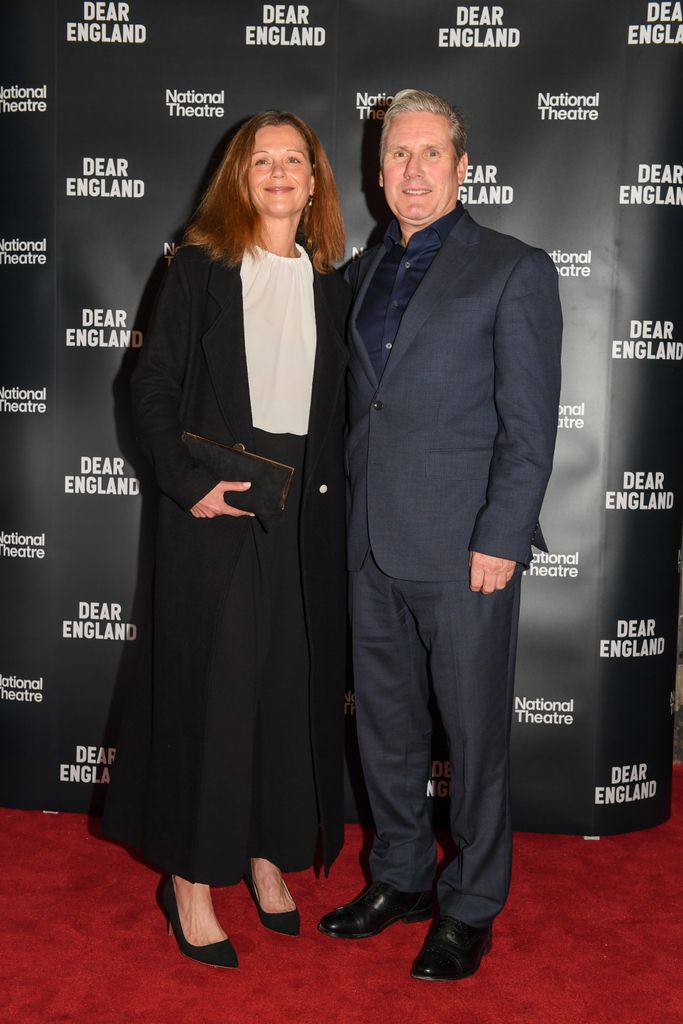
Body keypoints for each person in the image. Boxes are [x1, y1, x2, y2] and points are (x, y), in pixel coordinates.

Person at [318, 89, 562, 982]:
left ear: (463, 167)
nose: (410, 171)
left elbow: (529, 426)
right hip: (369, 543)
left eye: (428, 154)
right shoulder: (359, 272)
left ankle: (469, 904)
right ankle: (399, 878)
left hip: (466, 551)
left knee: (472, 736)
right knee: (384, 731)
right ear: (376, 171)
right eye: (394, 156)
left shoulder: (513, 267)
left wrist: (500, 534)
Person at [103, 110, 349, 969]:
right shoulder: (198, 269)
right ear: (237, 178)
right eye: (261, 160)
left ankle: (264, 851)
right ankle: (192, 882)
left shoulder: (332, 284)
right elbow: (152, 385)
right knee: (213, 696)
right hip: (215, 508)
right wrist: (186, 483)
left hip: (302, 517)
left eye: (294, 160)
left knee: (284, 691)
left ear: (316, 181)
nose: (279, 172)